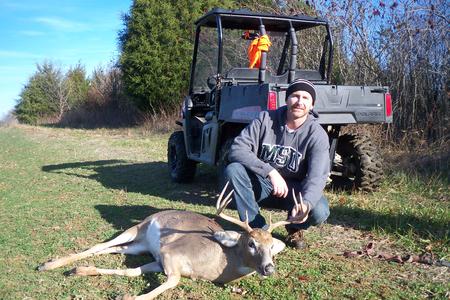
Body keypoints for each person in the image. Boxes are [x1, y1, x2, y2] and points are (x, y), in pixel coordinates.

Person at [225, 79, 330, 249]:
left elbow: (317, 177)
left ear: (312, 105)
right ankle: (258, 228)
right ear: (287, 99)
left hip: (295, 192)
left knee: (319, 211)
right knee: (234, 170)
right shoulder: (265, 119)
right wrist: (270, 171)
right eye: (295, 96)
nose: (299, 102)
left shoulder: (317, 134)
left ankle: (294, 226)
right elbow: (237, 149)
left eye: (305, 98)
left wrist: (306, 203)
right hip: (263, 184)